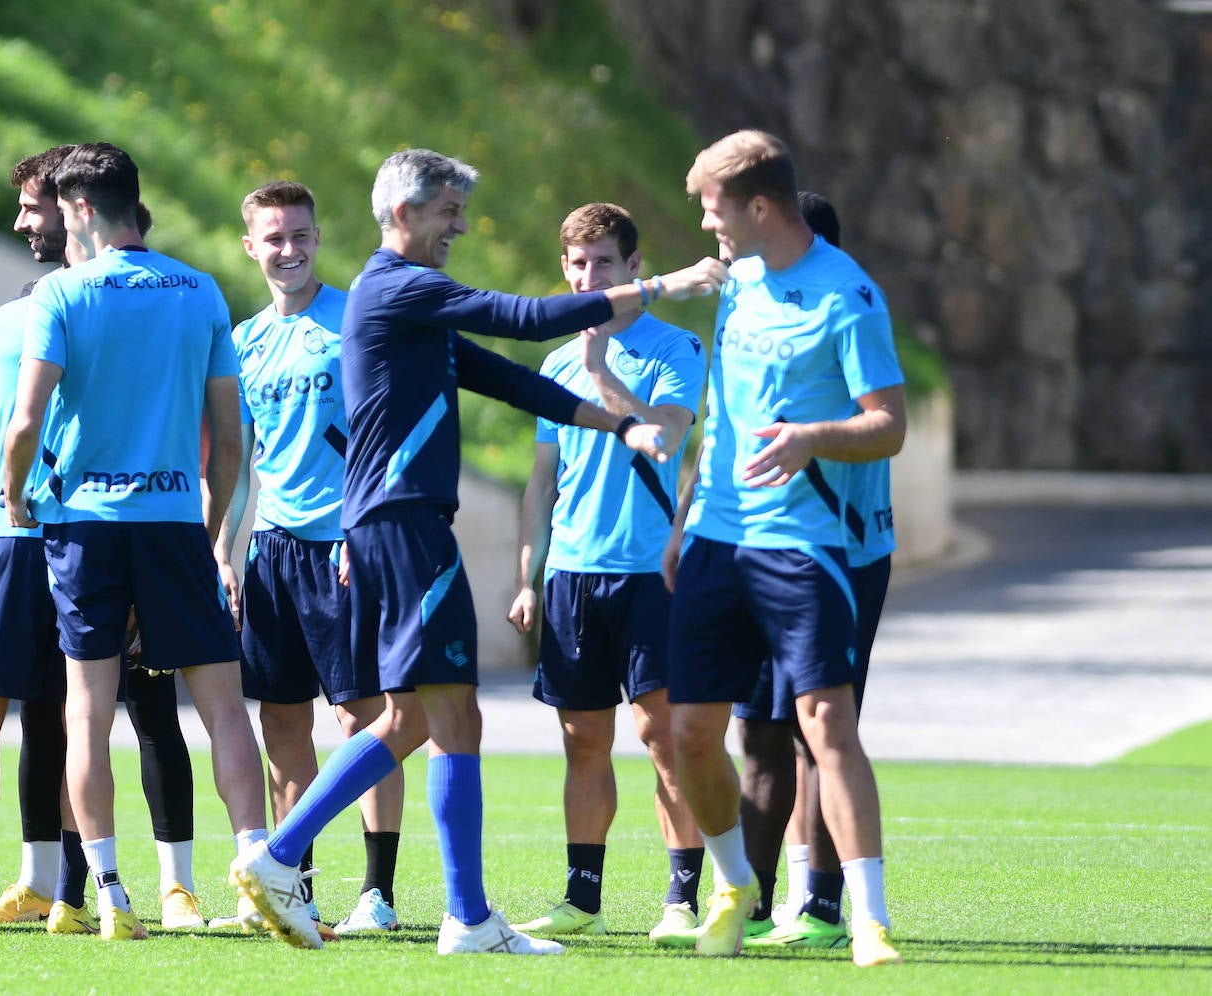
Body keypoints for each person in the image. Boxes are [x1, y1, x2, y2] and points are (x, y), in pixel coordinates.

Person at [228, 147, 726, 955]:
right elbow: (528, 319)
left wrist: (622, 426)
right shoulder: (397, 285)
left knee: (419, 715)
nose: (459, 225)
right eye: (448, 210)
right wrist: (667, 284)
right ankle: (348, 878)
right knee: (443, 712)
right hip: (405, 526)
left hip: (394, 527)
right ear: (404, 213)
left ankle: (400, 895)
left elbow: (512, 380)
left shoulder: (405, 307)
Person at [2, 142, 266, 942]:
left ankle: (110, 894)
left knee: (86, 711)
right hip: (176, 523)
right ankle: (261, 874)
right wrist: (212, 526)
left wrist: (15, 503)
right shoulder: (202, 291)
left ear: (79, 207)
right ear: (130, 200)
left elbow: (23, 422)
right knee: (222, 707)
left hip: (86, 528)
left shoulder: (63, 294)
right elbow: (229, 435)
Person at [661, 130, 904, 967]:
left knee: (824, 721)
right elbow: (723, 413)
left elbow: (889, 425)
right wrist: (684, 519)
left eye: (712, 208)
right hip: (716, 540)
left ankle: (865, 919)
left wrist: (812, 438)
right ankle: (735, 885)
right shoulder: (741, 285)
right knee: (690, 729)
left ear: (760, 207)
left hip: (805, 540)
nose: (706, 225)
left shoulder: (849, 295)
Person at [506, 203, 707, 942]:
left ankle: (682, 901)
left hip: (650, 573)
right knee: (581, 739)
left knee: (664, 735)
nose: (592, 276)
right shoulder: (554, 362)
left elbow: (666, 437)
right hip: (573, 577)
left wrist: (600, 373)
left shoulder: (675, 347)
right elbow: (541, 481)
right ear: (566, 270)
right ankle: (581, 899)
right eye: (579, 264)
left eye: (606, 264)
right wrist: (530, 575)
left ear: (633, 270)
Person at [213, 180, 404, 935]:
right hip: (271, 552)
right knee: (282, 724)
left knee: (366, 717)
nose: (289, 250)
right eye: (275, 238)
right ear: (250, 246)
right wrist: (223, 550)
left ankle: (377, 894)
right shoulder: (244, 339)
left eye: (301, 235)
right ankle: (295, 890)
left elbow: (381, 437)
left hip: (344, 548)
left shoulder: (354, 319)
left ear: (318, 239)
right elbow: (235, 455)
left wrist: (367, 530)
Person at [741, 191, 896, 951]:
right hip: (761, 551)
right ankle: (753, 897)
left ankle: (826, 905)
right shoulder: (760, 320)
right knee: (762, 733)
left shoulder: (848, 311)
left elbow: (882, 430)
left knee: (821, 730)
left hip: (844, 556)